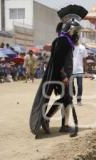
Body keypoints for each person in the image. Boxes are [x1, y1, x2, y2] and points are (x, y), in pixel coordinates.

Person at [29, 4, 88, 138]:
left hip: (67, 76)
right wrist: (64, 76)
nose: (78, 34)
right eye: (76, 32)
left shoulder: (66, 41)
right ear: (71, 31)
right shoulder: (63, 41)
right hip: (63, 76)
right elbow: (57, 61)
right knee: (65, 98)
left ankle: (63, 125)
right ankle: (47, 118)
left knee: (67, 99)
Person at [73, 34, 88, 106]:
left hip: (79, 70)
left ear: (78, 38)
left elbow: (85, 59)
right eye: (74, 38)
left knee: (80, 85)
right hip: (71, 70)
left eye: (76, 38)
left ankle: (79, 100)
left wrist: (86, 69)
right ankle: (70, 98)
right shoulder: (70, 47)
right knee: (71, 86)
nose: (75, 39)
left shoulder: (82, 48)